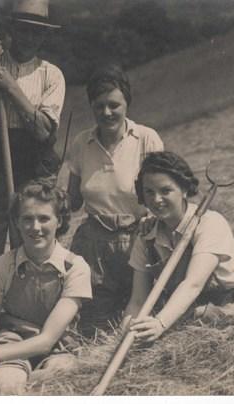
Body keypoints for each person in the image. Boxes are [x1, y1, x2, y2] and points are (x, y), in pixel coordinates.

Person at [0, 179, 92, 394]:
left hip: (58, 347)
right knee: (8, 384)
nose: (35, 227)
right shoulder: (1, 267)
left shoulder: (74, 268)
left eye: (44, 218)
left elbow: (47, 340)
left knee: (59, 379)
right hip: (10, 345)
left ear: (60, 221)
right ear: (16, 222)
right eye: (27, 219)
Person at [0, 0, 66, 269]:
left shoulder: (51, 75)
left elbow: (44, 131)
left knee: (31, 240)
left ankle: (28, 303)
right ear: (11, 30)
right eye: (24, 30)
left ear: (44, 35)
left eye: (37, 32)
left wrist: (11, 87)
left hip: (34, 164)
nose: (30, 37)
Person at [65, 63, 164, 334]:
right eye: (99, 106)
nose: (106, 113)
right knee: (93, 328)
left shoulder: (146, 139)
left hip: (139, 241)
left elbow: (163, 193)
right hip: (94, 246)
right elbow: (72, 202)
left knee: (136, 321)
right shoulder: (80, 144)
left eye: (113, 105)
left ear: (126, 103)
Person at [122, 151, 234, 341]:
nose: (156, 200)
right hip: (180, 311)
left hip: (222, 309)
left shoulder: (209, 223)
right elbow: (138, 300)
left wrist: (160, 323)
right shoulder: (146, 235)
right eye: (149, 192)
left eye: (165, 191)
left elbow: (193, 284)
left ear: (184, 190)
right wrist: (126, 333)